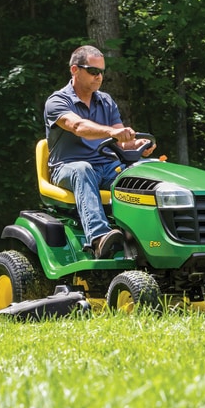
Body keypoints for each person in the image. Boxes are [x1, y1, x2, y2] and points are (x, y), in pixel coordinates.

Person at [43, 45, 155, 259]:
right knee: (83, 169)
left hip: (107, 166)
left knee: (146, 173)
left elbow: (121, 142)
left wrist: (138, 144)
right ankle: (99, 238)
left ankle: (148, 239)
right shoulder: (57, 101)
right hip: (67, 168)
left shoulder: (106, 101)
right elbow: (78, 127)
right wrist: (112, 132)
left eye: (102, 71)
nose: (99, 76)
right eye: (93, 71)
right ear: (75, 70)